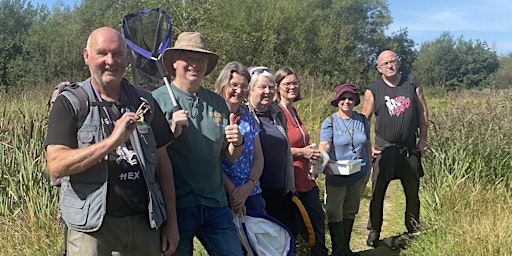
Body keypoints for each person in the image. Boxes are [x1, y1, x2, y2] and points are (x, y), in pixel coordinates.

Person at [45, 27, 179, 256]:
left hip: (145, 224)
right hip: (92, 231)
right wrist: (113, 141)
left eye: (117, 54)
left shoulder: (145, 101)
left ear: (127, 58)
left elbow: (164, 165)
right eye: (102, 53)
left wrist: (172, 225)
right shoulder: (70, 103)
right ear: (87, 56)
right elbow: (57, 165)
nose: (110, 61)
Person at [152, 32, 245, 255]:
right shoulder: (156, 100)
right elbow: (151, 158)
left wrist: (237, 142)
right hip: (177, 207)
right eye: (188, 58)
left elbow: (227, 155)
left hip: (216, 204)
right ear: (174, 62)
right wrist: (172, 132)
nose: (194, 64)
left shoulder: (217, 103)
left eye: (200, 59)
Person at [362, 50, 429, 247]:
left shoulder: (411, 83)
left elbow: (423, 112)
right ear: (379, 68)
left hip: (409, 149)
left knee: (412, 193)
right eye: (385, 63)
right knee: (377, 194)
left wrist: (423, 139)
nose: (390, 65)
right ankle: (374, 231)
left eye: (393, 61)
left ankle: (413, 229)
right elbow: (364, 119)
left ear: (398, 63)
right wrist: (367, 147)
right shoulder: (374, 89)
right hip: (384, 150)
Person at [275, 67, 328, 256]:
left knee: (317, 221)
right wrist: (302, 153)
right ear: (277, 87)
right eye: (287, 83)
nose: (292, 87)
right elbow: (274, 148)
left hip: (307, 178)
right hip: (291, 182)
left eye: (294, 83)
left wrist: (314, 156)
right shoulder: (276, 113)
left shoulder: (294, 111)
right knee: (297, 228)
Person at [319, 84, 372, 256]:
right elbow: (324, 145)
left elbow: (367, 143)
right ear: (337, 101)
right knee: (334, 212)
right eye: (343, 98)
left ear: (355, 101)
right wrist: (323, 161)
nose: (346, 101)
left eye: (350, 98)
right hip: (337, 173)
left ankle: (346, 249)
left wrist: (369, 164)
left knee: (350, 209)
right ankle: (337, 250)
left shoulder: (362, 120)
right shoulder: (331, 121)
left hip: (359, 173)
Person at [246, 66, 296, 235]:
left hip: (279, 189)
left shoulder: (277, 113)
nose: (267, 91)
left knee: (276, 237)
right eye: (262, 87)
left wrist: (290, 185)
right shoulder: (244, 115)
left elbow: (286, 151)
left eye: (271, 87)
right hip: (254, 191)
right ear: (251, 89)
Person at [214, 61, 266, 215]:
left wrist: (249, 186)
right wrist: (234, 193)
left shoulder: (248, 117)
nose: (239, 90)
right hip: (223, 194)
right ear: (223, 85)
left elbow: (258, 157)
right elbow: (211, 162)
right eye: (234, 85)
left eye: (243, 86)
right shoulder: (212, 115)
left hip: (252, 193)